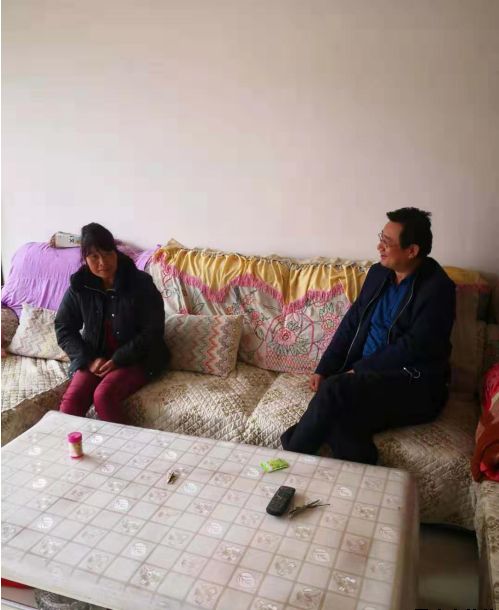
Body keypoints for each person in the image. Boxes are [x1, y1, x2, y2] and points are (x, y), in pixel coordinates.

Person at [281, 208, 456, 464]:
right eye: (380, 238)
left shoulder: (438, 289)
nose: (379, 247)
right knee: (341, 420)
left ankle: (289, 459)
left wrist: (360, 370)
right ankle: (365, 480)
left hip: (413, 385)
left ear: (412, 250)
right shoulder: (378, 274)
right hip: (368, 382)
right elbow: (351, 322)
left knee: (334, 391)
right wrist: (325, 367)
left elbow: (414, 346)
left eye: (387, 242)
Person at [55, 223, 169, 422]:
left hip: (137, 358)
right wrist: (88, 360)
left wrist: (118, 359)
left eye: (107, 254)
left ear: (115, 252)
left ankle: (124, 443)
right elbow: (64, 327)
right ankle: (73, 443)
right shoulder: (80, 286)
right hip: (95, 358)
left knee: (103, 396)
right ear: (85, 259)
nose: (102, 262)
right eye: (94, 257)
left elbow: (153, 330)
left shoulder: (140, 283)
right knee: (71, 403)